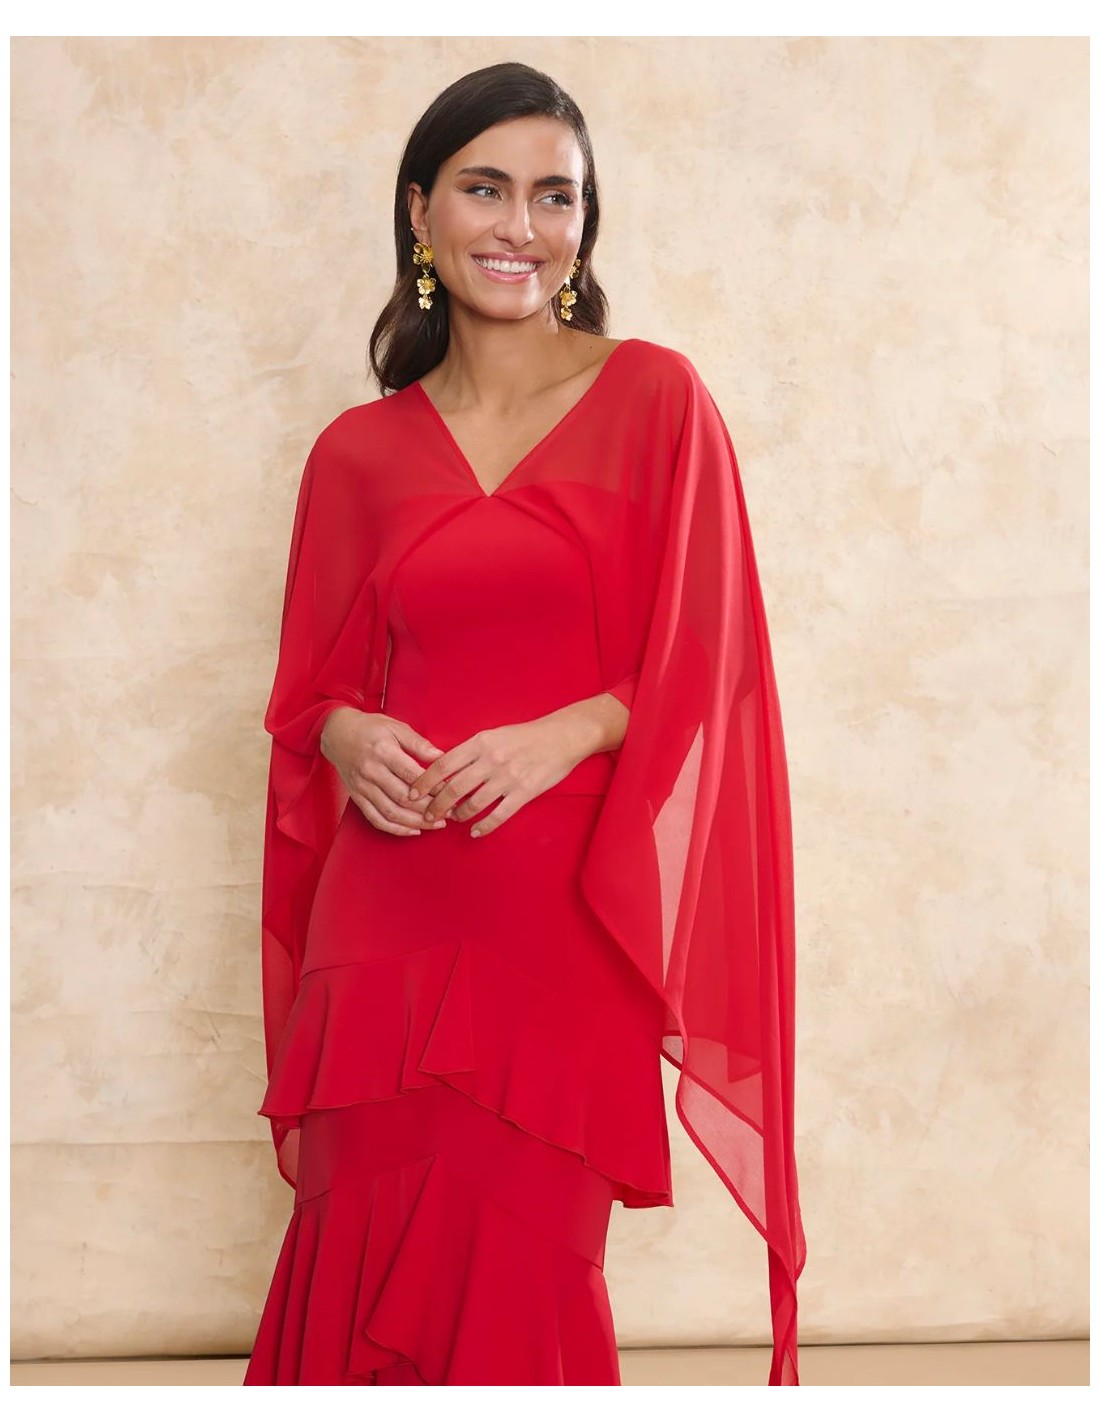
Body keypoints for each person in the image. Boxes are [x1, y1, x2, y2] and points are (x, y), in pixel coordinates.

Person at [243, 59, 806, 1387]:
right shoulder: (355, 452)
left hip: (559, 908)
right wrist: (347, 738)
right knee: (354, 1242)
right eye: (486, 189)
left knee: (527, 1262)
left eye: (557, 196)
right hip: (384, 912)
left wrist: (575, 729)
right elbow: (309, 691)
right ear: (420, 212)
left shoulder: (656, 398)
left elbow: (715, 655)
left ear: (585, 223)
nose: (522, 226)